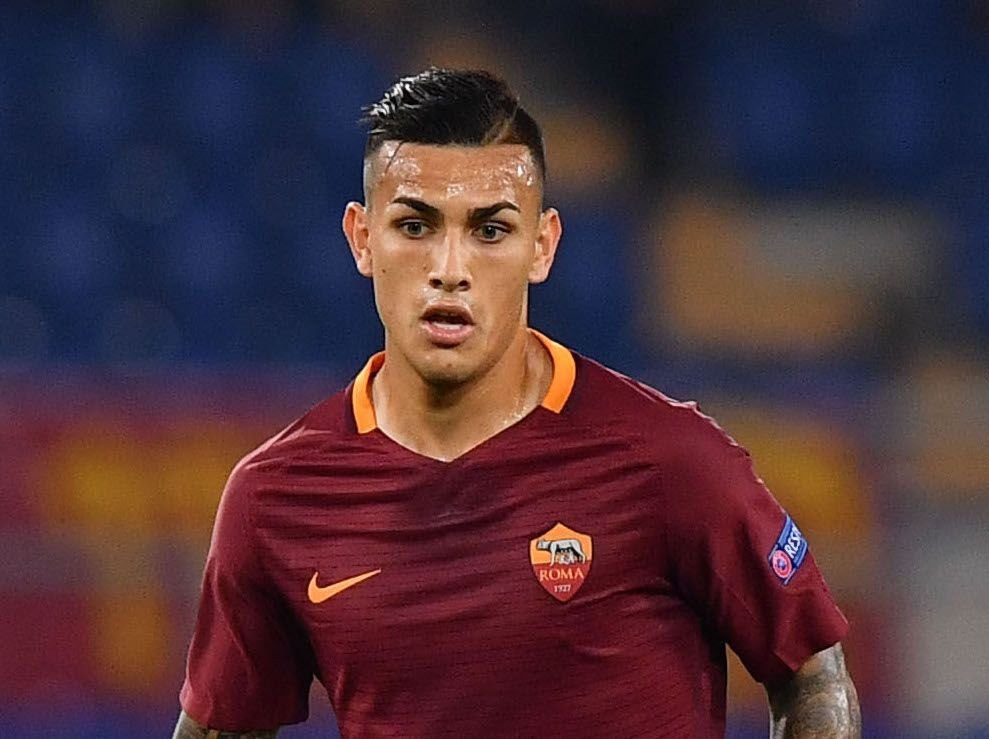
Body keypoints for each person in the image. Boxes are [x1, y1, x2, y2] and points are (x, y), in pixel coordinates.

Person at [174, 68, 860, 738]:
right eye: (414, 226)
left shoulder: (670, 458)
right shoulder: (276, 497)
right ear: (361, 238)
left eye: (490, 231)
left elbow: (812, 678)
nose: (449, 269)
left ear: (542, 245)